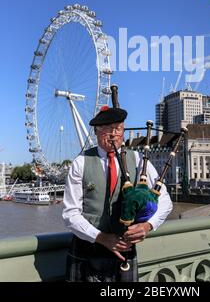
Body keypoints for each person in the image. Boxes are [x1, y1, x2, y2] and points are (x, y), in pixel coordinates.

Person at [62, 105, 173, 282]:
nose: (114, 134)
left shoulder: (137, 160)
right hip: (88, 249)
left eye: (118, 128)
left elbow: (165, 200)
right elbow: (70, 214)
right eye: (107, 128)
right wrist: (101, 238)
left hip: (125, 250)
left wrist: (148, 226)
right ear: (96, 132)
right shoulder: (81, 163)